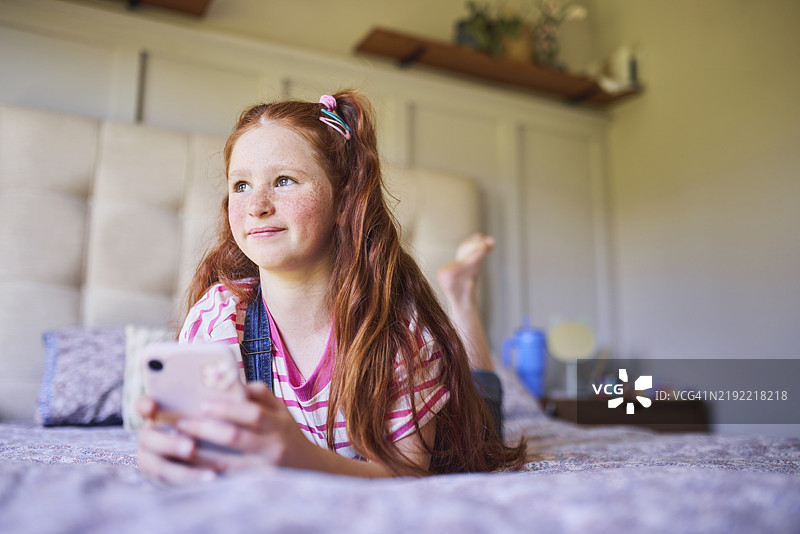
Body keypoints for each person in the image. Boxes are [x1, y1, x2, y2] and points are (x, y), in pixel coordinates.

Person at [137, 90, 526, 482]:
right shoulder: (218, 319)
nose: (257, 206)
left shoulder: (398, 328)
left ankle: (461, 296)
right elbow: (192, 443)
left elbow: (406, 475)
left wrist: (297, 456)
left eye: (284, 180)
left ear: (343, 202)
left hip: (458, 418)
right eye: (241, 185)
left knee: (484, 397)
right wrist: (167, 453)